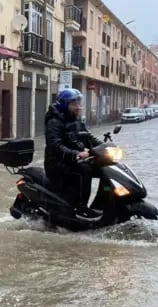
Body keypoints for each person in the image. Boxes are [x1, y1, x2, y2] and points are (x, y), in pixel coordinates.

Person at [44, 88, 103, 219]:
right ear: (65, 104)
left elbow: (88, 137)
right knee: (85, 170)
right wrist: (76, 153)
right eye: (74, 104)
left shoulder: (75, 120)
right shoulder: (54, 122)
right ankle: (81, 208)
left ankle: (103, 204)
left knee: (102, 167)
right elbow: (55, 145)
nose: (78, 107)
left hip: (73, 160)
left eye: (78, 103)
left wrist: (104, 146)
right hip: (57, 163)